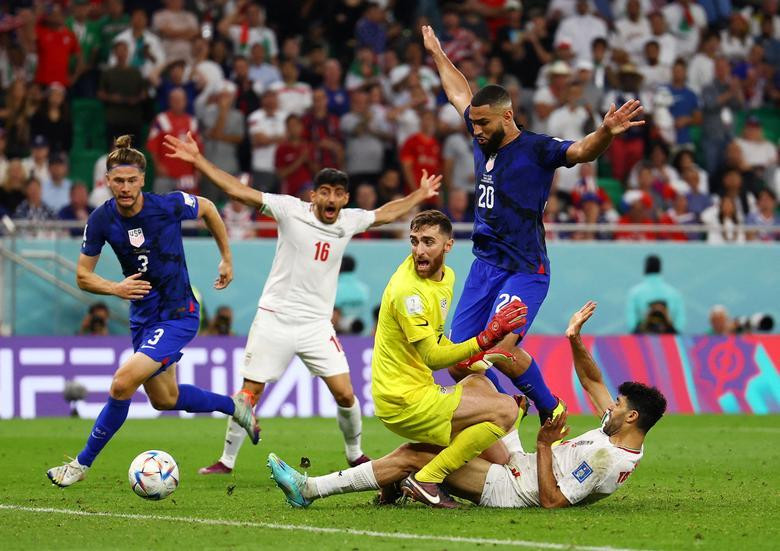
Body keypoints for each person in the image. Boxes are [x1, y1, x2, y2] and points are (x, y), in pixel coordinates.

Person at [163, 132, 443, 475]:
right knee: (249, 394)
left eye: (338, 193)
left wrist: (420, 194)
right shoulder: (290, 210)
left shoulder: (349, 220)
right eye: (325, 192)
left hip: (316, 325)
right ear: (314, 195)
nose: (331, 198)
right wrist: (198, 161)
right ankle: (226, 460)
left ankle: (355, 454)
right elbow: (239, 191)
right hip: (274, 319)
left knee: (345, 394)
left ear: (345, 198)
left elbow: (386, 213)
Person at [421, 24, 645, 427]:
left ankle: (551, 409)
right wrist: (438, 53)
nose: (476, 131)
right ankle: (509, 406)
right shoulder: (481, 134)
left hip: (525, 269)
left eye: (484, 124)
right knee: (458, 362)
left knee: (503, 349)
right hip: (484, 266)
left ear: (507, 116)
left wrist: (606, 132)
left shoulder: (537, 149)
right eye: (473, 124)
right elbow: (459, 93)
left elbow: (580, 151)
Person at [267, 301, 667, 510]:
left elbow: (553, 502)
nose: (608, 407)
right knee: (476, 384)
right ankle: (395, 489)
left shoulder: (607, 458)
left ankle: (311, 489)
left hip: (514, 489)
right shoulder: (615, 433)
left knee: (415, 454)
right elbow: (593, 381)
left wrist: (545, 444)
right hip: (520, 461)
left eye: (616, 405)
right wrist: (574, 337)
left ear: (631, 415)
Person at [46, 136, 259, 488]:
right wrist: (116, 288)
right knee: (165, 398)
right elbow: (82, 276)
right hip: (143, 317)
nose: (125, 187)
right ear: (107, 181)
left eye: (132, 180)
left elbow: (207, 207)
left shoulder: (168, 205)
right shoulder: (101, 219)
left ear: (143, 180)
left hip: (178, 313)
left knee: (121, 383)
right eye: (118, 181)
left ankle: (80, 465)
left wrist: (227, 257)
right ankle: (236, 405)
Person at [625, 255, 686, 333]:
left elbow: (631, 324)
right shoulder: (674, 293)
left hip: (642, 339)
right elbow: (680, 324)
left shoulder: (634, 293)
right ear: (660, 269)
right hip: (669, 339)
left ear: (645, 269)